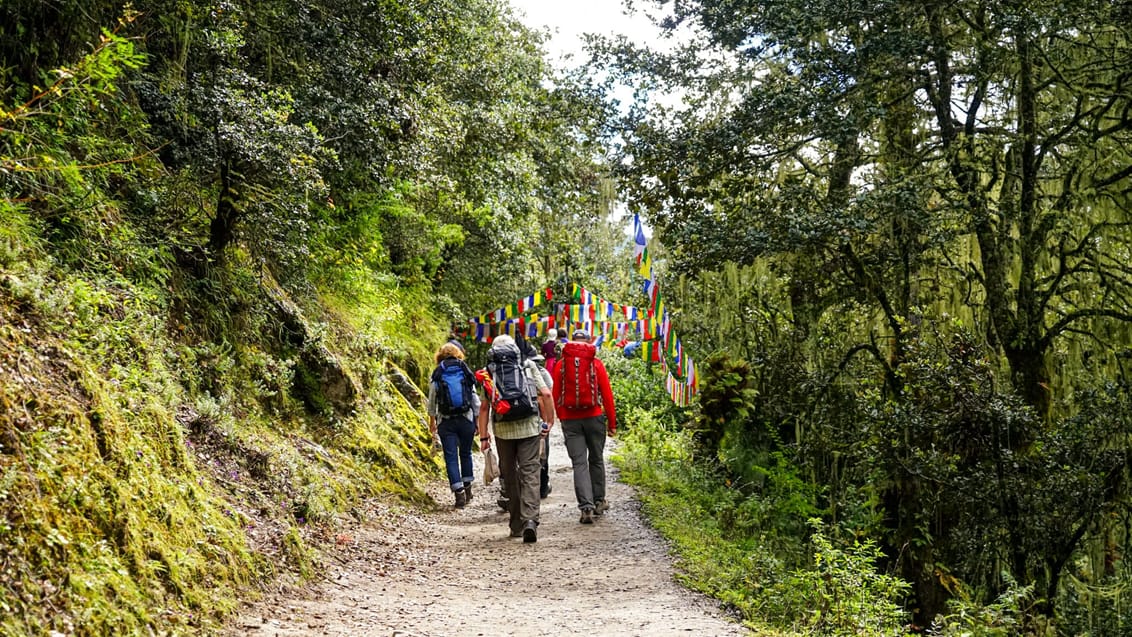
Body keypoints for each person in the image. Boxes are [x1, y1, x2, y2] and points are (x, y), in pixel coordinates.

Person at [478, 335, 555, 542]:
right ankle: (530, 520)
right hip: (529, 427)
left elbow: (484, 408)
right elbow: (546, 394)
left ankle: (516, 524)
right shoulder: (527, 365)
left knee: (509, 474)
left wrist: (484, 437)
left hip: (503, 430)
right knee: (530, 471)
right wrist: (549, 421)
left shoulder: (489, 371)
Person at [552, 329, 617, 524]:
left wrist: (562, 417)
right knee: (596, 459)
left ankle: (586, 508)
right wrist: (612, 423)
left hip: (570, 420)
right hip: (594, 417)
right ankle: (599, 502)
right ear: (589, 343)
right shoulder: (596, 364)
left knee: (579, 463)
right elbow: (607, 395)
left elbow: (555, 395)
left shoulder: (561, 365)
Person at [427, 342, 481, 508]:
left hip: (446, 421)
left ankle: (458, 494)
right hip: (466, 419)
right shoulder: (464, 371)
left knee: (450, 456)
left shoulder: (438, 374)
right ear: (458, 354)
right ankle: (468, 487)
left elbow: (432, 402)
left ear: (440, 356)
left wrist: (432, 423)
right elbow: (475, 401)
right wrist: (477, 422)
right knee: (465, 454)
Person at [529, 353, 556, 499]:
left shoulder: (519, 370)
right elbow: (548, 395)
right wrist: (549, 421)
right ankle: (543, 487)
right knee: (543, 452)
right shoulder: (544, 373)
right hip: (541, 417)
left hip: (525, 418)